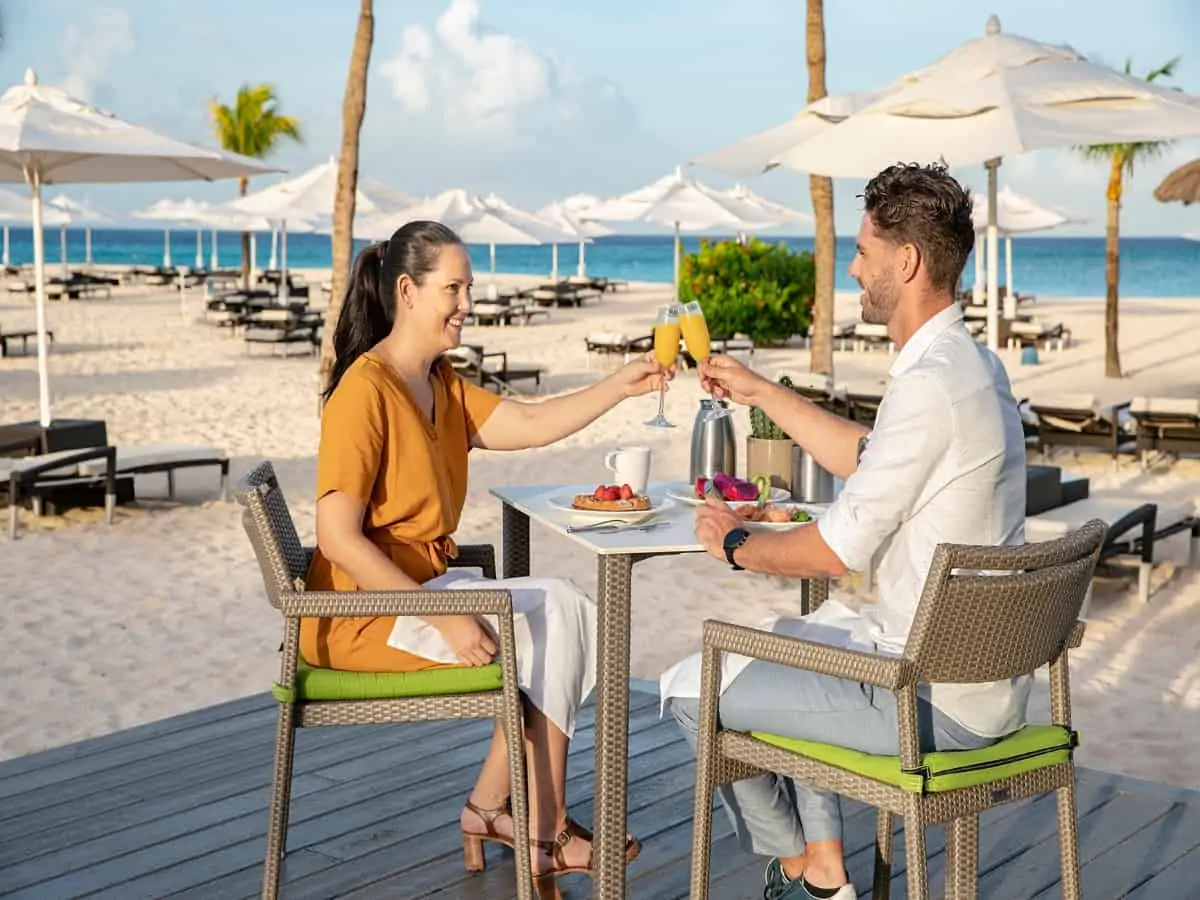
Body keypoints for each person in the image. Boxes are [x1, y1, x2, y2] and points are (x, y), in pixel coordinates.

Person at [661, 163, 1029, 900]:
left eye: (863, 252)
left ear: (907, 262)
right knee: (798, 635)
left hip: (923, 698)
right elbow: (867, 458)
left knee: (689, 689)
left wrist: (733, 543)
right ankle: (825, 869)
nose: (853, 268)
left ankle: (799, 872)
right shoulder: (970, 366)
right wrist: (763, 390)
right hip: (974, 679)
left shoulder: (930, 384)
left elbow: (835, 550)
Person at [309, 220, 666, 896]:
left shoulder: (437, 383)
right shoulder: (366, 390)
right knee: (548, 626)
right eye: (454, 288)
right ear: (408, 292)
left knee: (569, 606)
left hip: (425, 586)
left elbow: (526, 423)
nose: (466, 303)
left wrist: (619, 386)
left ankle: (498, 811)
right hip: (364, 613)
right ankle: (542, 830)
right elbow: (337, 538)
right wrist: (441, 614)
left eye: (468, 287)